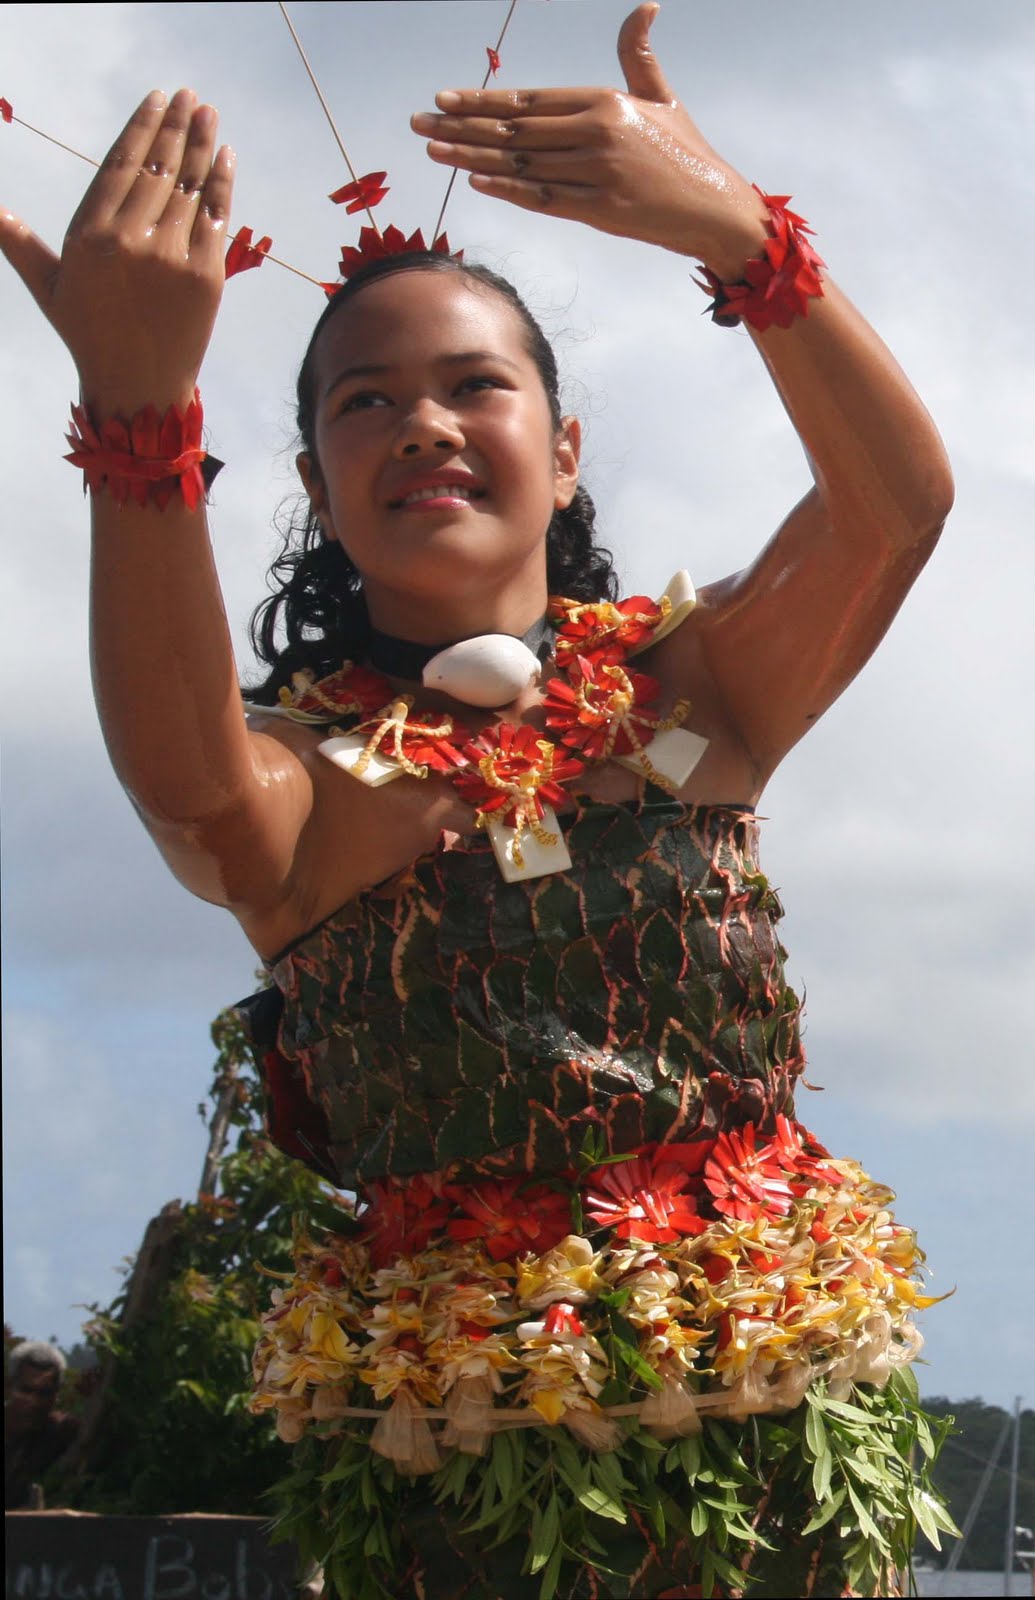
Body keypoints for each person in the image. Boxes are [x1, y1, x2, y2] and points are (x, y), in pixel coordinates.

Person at [0, 5, 955, 1594]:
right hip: (461, 1489)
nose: (422, 423)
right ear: (309, 482)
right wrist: (141, 416)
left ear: (563, 448)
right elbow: (183, 790)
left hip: (780, 1440)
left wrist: (741, 234)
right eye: (361, 402)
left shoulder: (693, 692)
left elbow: (891, 513)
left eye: (471, 386)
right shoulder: (301, 782)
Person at [5, 1340, 81, 1509]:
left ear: (57, 1394)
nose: (35, 1402)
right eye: (26, 1391)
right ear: (8, 1387)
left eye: (45, 1393)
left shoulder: (60, 1430)